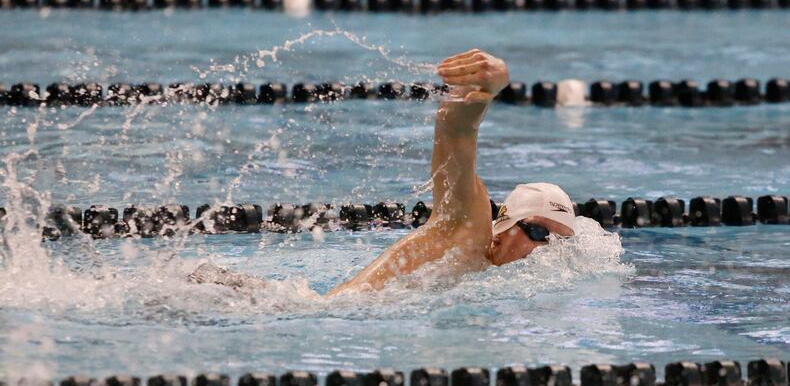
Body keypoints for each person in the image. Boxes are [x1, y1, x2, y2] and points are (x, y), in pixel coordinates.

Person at [189, 49, 577, 296]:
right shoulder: (468, 231)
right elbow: (455, 132)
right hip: (304, 317)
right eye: (539, 232)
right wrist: (485, 91)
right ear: (502, 226)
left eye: (560, 242)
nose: (547, 251)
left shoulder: (485, 277)